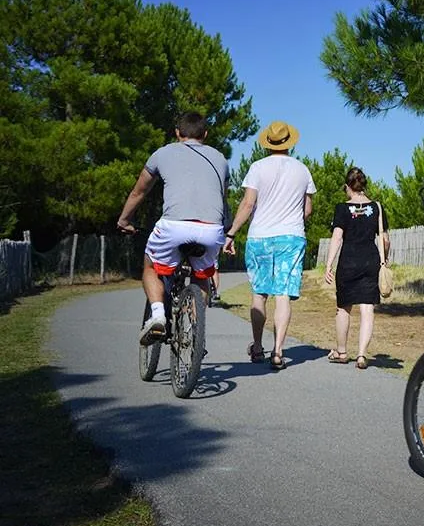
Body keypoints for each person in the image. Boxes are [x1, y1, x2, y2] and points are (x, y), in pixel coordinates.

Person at [118, 112, 228, 345]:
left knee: (150, 266)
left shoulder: (162, 153)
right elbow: (222, 198)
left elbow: (139, 192)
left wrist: (124, 220)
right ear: (205, 134)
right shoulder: (220, 158)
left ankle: (158, 315)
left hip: (174, 226)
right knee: (202, 275)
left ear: (177, 133)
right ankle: (193, 328)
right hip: (212, 229)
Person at [223, 121, 316, 369]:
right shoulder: (302, 170)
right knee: (283, 294)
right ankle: (278, 351)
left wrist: (231, 233)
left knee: (259, 294)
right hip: (291, 237)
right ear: (289, 143)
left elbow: (248, 204)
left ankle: (257, 346)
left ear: (268, 143)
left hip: (260, 236)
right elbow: (307, 210)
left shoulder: (257, 167)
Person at [324, 167, 390, 370]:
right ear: (363, 185)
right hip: (370, 261)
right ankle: (361, 355)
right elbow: (385, 239)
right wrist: (385, 260)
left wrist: (329, 264)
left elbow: (337, 237)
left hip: (348, 261)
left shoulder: (342, 209)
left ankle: (342, 352)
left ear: (347, 186)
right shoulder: (377, 208)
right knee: (367, 308)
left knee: (344, 307)